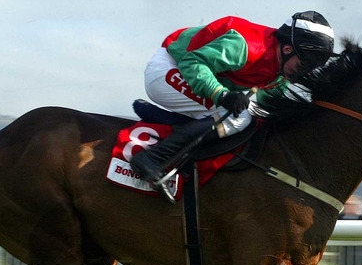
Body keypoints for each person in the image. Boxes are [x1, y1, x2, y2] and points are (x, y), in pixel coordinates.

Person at [129, 11, 336, 203]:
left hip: (188, 70)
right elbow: (192, 63)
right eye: (305, 65)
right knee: (238, 117)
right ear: (288, 49)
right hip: (170, 68)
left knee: (252, 116)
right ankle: (152, 159)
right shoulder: (244, 47)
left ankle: (167, 122)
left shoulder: (281, 71)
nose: (307, 73)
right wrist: (222, 95)